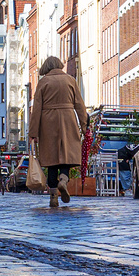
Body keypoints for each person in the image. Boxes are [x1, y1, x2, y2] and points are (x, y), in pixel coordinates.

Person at [27, 55, 88, 208]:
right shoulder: (70, 80)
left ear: (46, 67)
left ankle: (53, 196)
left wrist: (33, 132)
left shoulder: (43, 82)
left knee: (51, 161)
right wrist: (85, 125)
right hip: (68, 119)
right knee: (67, 156)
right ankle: (64, 180)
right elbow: (80, 105)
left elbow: (36, 110)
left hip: (48, 122)